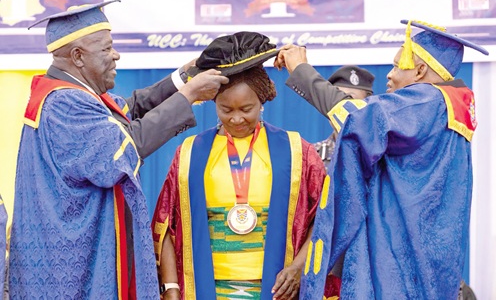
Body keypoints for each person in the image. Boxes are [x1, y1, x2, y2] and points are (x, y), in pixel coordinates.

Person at [9, 0, 228, 299]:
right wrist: (189, 95)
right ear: (78, 56)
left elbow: (127, 111)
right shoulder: (65, 104)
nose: (116, 55)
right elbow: (121, 150)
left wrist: (183, 78)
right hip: (75, 270)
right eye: (107, 49)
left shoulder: (73, 94)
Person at [275, 20, 488, 299]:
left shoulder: (425, 101)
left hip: (398, 256)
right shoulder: (450, 109)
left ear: (421, 70)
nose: (389, 75)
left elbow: (355, 117)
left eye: (398, 66)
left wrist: (301, 70)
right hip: (427, 255)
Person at [150, 31, 339, 300]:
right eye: (226, 110)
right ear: (214, 102)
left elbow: (324, 219)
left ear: (262, 102)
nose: (237, 118)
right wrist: (170, 288)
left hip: (276, 288)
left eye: (246, 109)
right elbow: (166, 224)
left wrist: (298, 268)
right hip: (207, 287)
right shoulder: (191, 153)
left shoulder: (297, 151)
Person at [312, 65, 375, 169]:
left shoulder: (379, 152)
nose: (341, 108)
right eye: (336, 101)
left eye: (350, 100)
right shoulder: (313, 155)